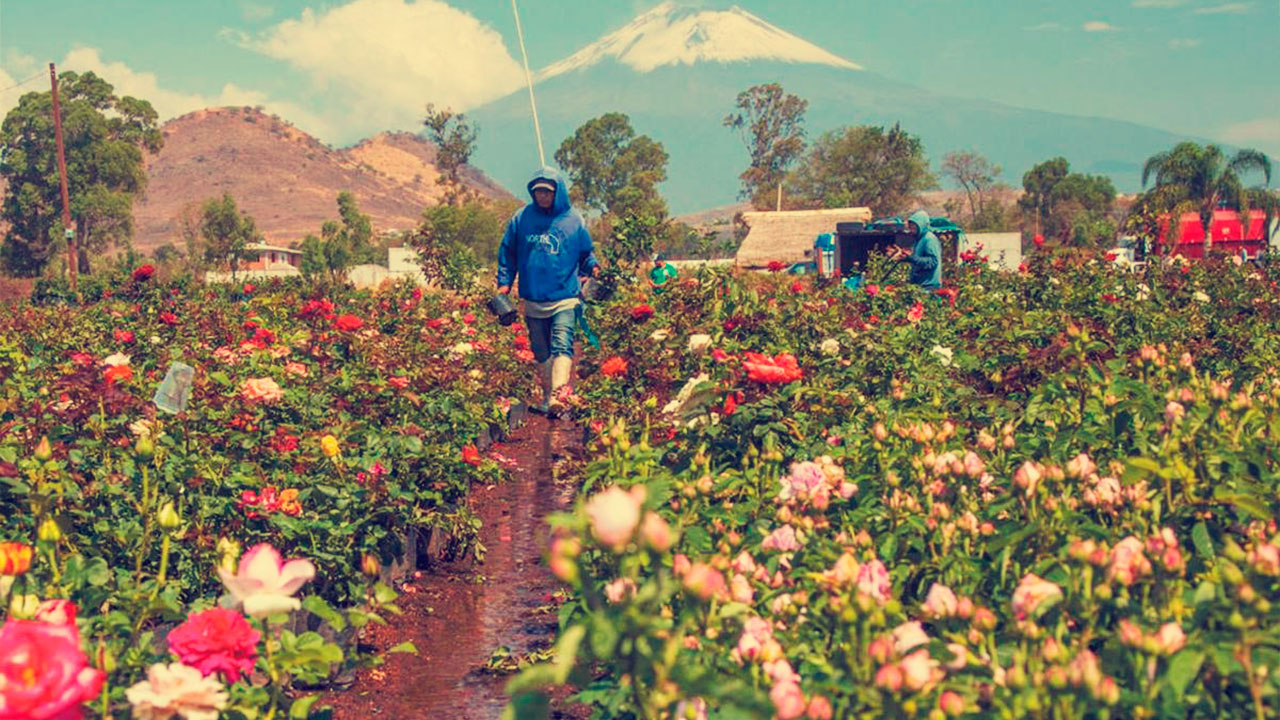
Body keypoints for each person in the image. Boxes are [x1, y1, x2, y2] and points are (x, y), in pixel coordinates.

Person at [497, 167, 598, 417]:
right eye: (537, 191)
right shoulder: (521, 218)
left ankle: (558, 398)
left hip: (565, 296)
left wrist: (593, 267)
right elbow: (508, 252)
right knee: (540, 350)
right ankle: (547, 396)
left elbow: (585, 253)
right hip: (533, 298)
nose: (541, 196)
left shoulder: (572, 220)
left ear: (557, 193)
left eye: (547, 191)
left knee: (562, 344)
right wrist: (504, 282)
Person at [892, 210, 942, 290]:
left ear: (921, 225)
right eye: (910, 227)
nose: (911, 229)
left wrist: (912, 258)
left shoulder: (929, 239)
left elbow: (933, 261)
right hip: (920, 284)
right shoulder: (919, 239)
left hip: (929, 286)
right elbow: (917, 259)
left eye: (914, 226)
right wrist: (906, 258)